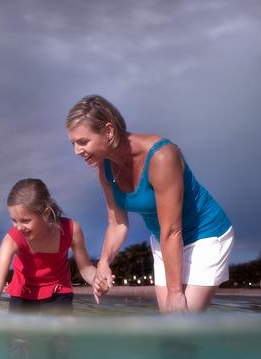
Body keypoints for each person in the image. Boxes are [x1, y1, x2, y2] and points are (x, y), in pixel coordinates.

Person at [66, 95, 234, 312]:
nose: (77, 151)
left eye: (83, 142)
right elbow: (117, 224)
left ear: (108, 131)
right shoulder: (105, 170)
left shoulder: (162, 156)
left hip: (205, 235)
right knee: (173, 329)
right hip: (164, 241)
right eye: (73, 143)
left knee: (181, 323)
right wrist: (104, 263)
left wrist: (175, 293)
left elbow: (172, 230)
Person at [0, 177, 102, 312]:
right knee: (20, 334)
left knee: (59, 332)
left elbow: (86, 268)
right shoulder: (11, 239)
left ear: (46, 213)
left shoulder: (71, 231)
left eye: (25, 220)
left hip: (58, 293)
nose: (18, 227)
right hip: (22, 294)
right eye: (14, 220)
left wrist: (97, 279)